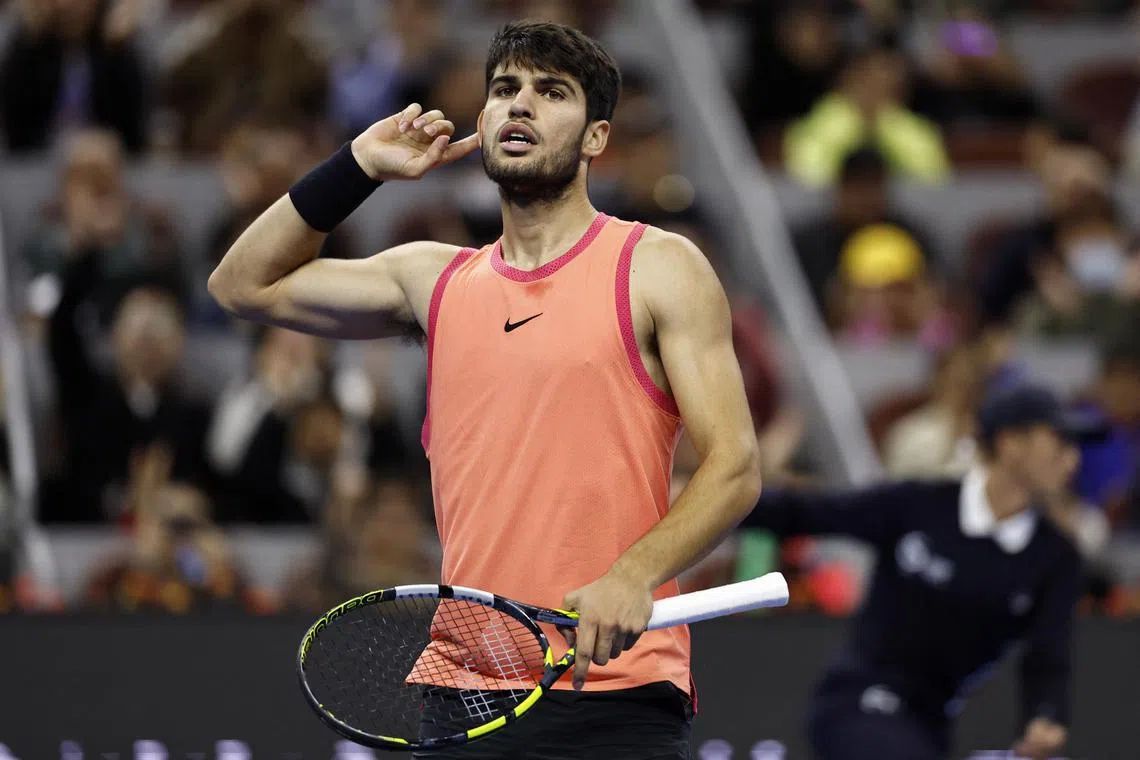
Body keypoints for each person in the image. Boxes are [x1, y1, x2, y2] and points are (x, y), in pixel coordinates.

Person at [208, 20, 761, 760]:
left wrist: (633, 576)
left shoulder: (660, 268)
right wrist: (358, 166)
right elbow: (241, 284)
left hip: (615, 693)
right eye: (504, 90)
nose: (519, 106)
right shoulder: (433, 280)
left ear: (596, 138)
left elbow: (734, 467)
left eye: (549, 92)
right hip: (466, 694)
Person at [742, 382, 1098, 760]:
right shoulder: (917, 504)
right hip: (858, 699)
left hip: (930, 725)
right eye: (1060, 442)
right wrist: (712, 498)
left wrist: (1045, 717)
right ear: (1011, 443)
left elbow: (1048, 653)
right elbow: (806, 512)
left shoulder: (1056, 557)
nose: (1073, 460)